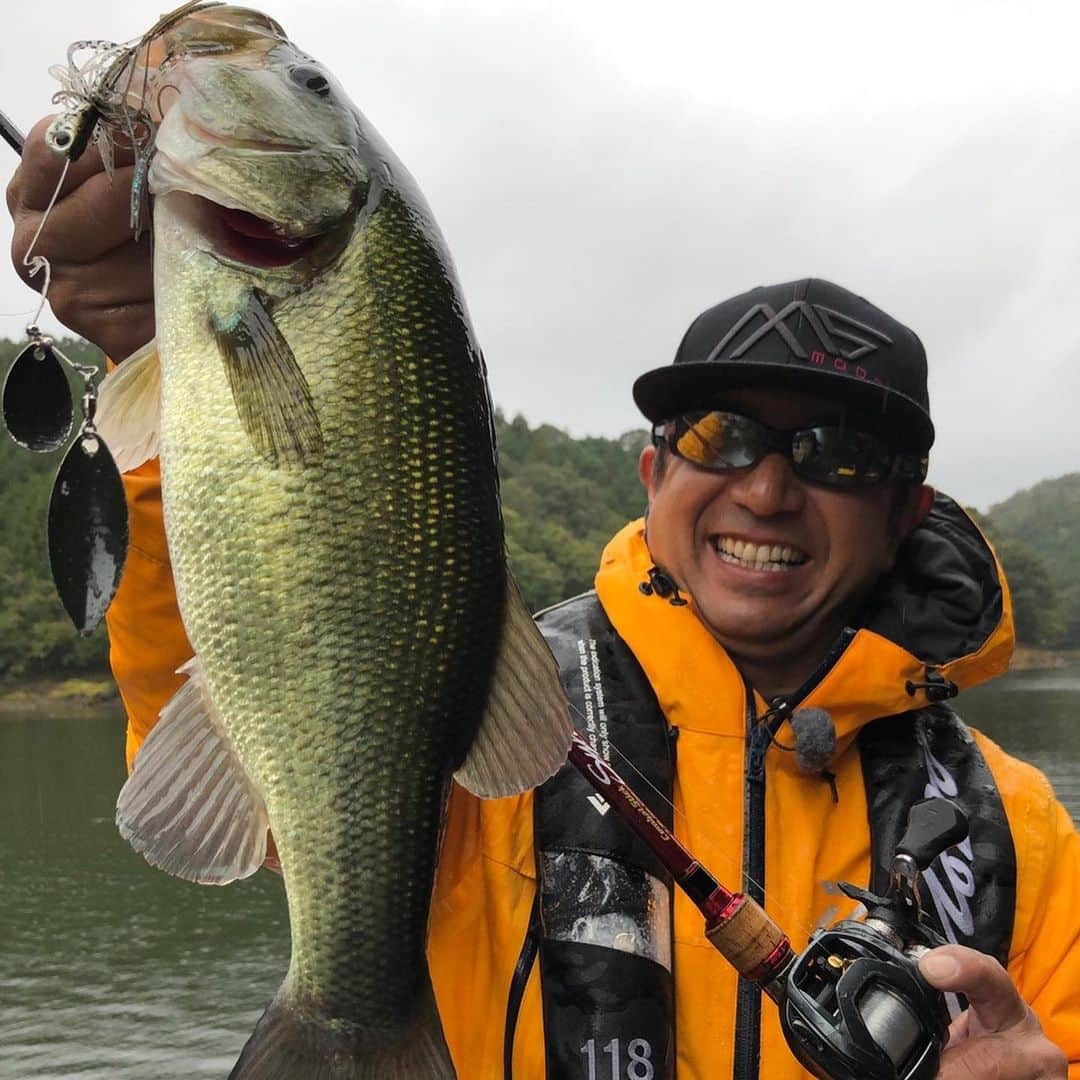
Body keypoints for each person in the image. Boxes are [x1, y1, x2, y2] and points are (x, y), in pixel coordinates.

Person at [8, 116, 1078, 1080]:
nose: (764, 488)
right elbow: (238, 688)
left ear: (906, 511)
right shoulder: (492, 707)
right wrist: (163, 354)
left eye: (835, 455)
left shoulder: (1020, 833)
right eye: (720, 437)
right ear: (654, 476)